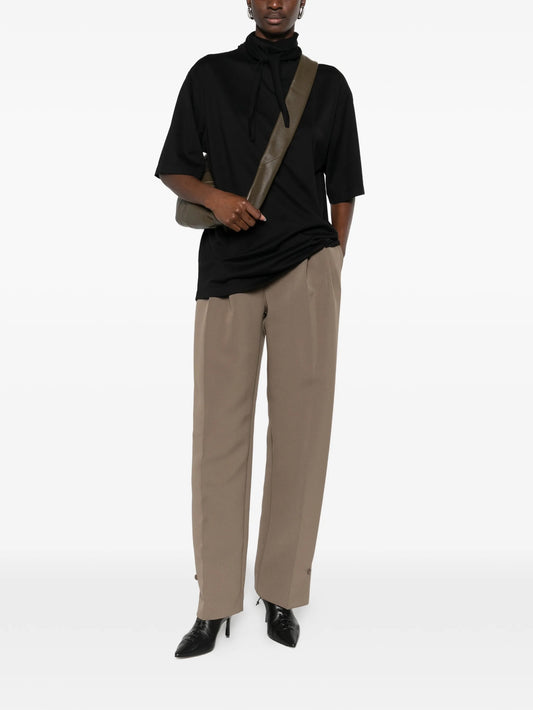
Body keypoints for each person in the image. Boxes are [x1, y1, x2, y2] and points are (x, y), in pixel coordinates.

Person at [154, 0, 364, 658]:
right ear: (247, 1)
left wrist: (331, 260)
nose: (274, 1)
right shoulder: (208, 75)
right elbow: (174, 167)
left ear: (303, 3)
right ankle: (214, 602)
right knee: (217, 436)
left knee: (302, 435)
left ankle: (281, 592)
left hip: (306, 268)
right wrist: (216, 199)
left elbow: (344, 187)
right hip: (226, 270)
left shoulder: (329, 85)